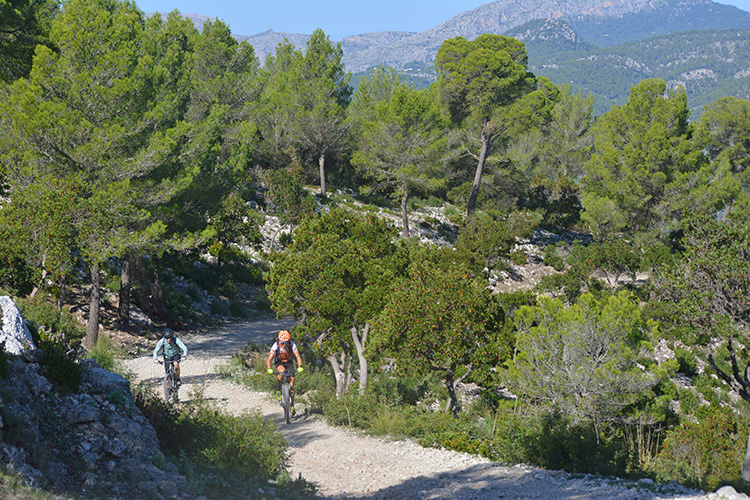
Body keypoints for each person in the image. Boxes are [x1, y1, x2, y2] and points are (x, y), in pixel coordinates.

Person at [266, 330, 303, 415]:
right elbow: (270, 358)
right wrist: (269, 368)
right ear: (279, 341)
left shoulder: (292, 344)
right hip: (279, 362)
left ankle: (292, 405)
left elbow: (297, 356)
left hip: (289, 362)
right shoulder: (275, 345)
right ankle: (278, 388)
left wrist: (300, 366)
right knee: (282, 372)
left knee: (292, 384)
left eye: (286, 342)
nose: (284, 344)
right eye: (283, 343)